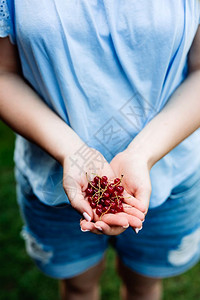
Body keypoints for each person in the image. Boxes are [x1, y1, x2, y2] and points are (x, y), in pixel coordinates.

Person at [1, 1, 200, 299]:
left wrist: (141, 154)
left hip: (170, 173)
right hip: (53, 181)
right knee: (78, 288)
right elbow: (3, 73)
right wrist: (71, 152)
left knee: (143, 288)